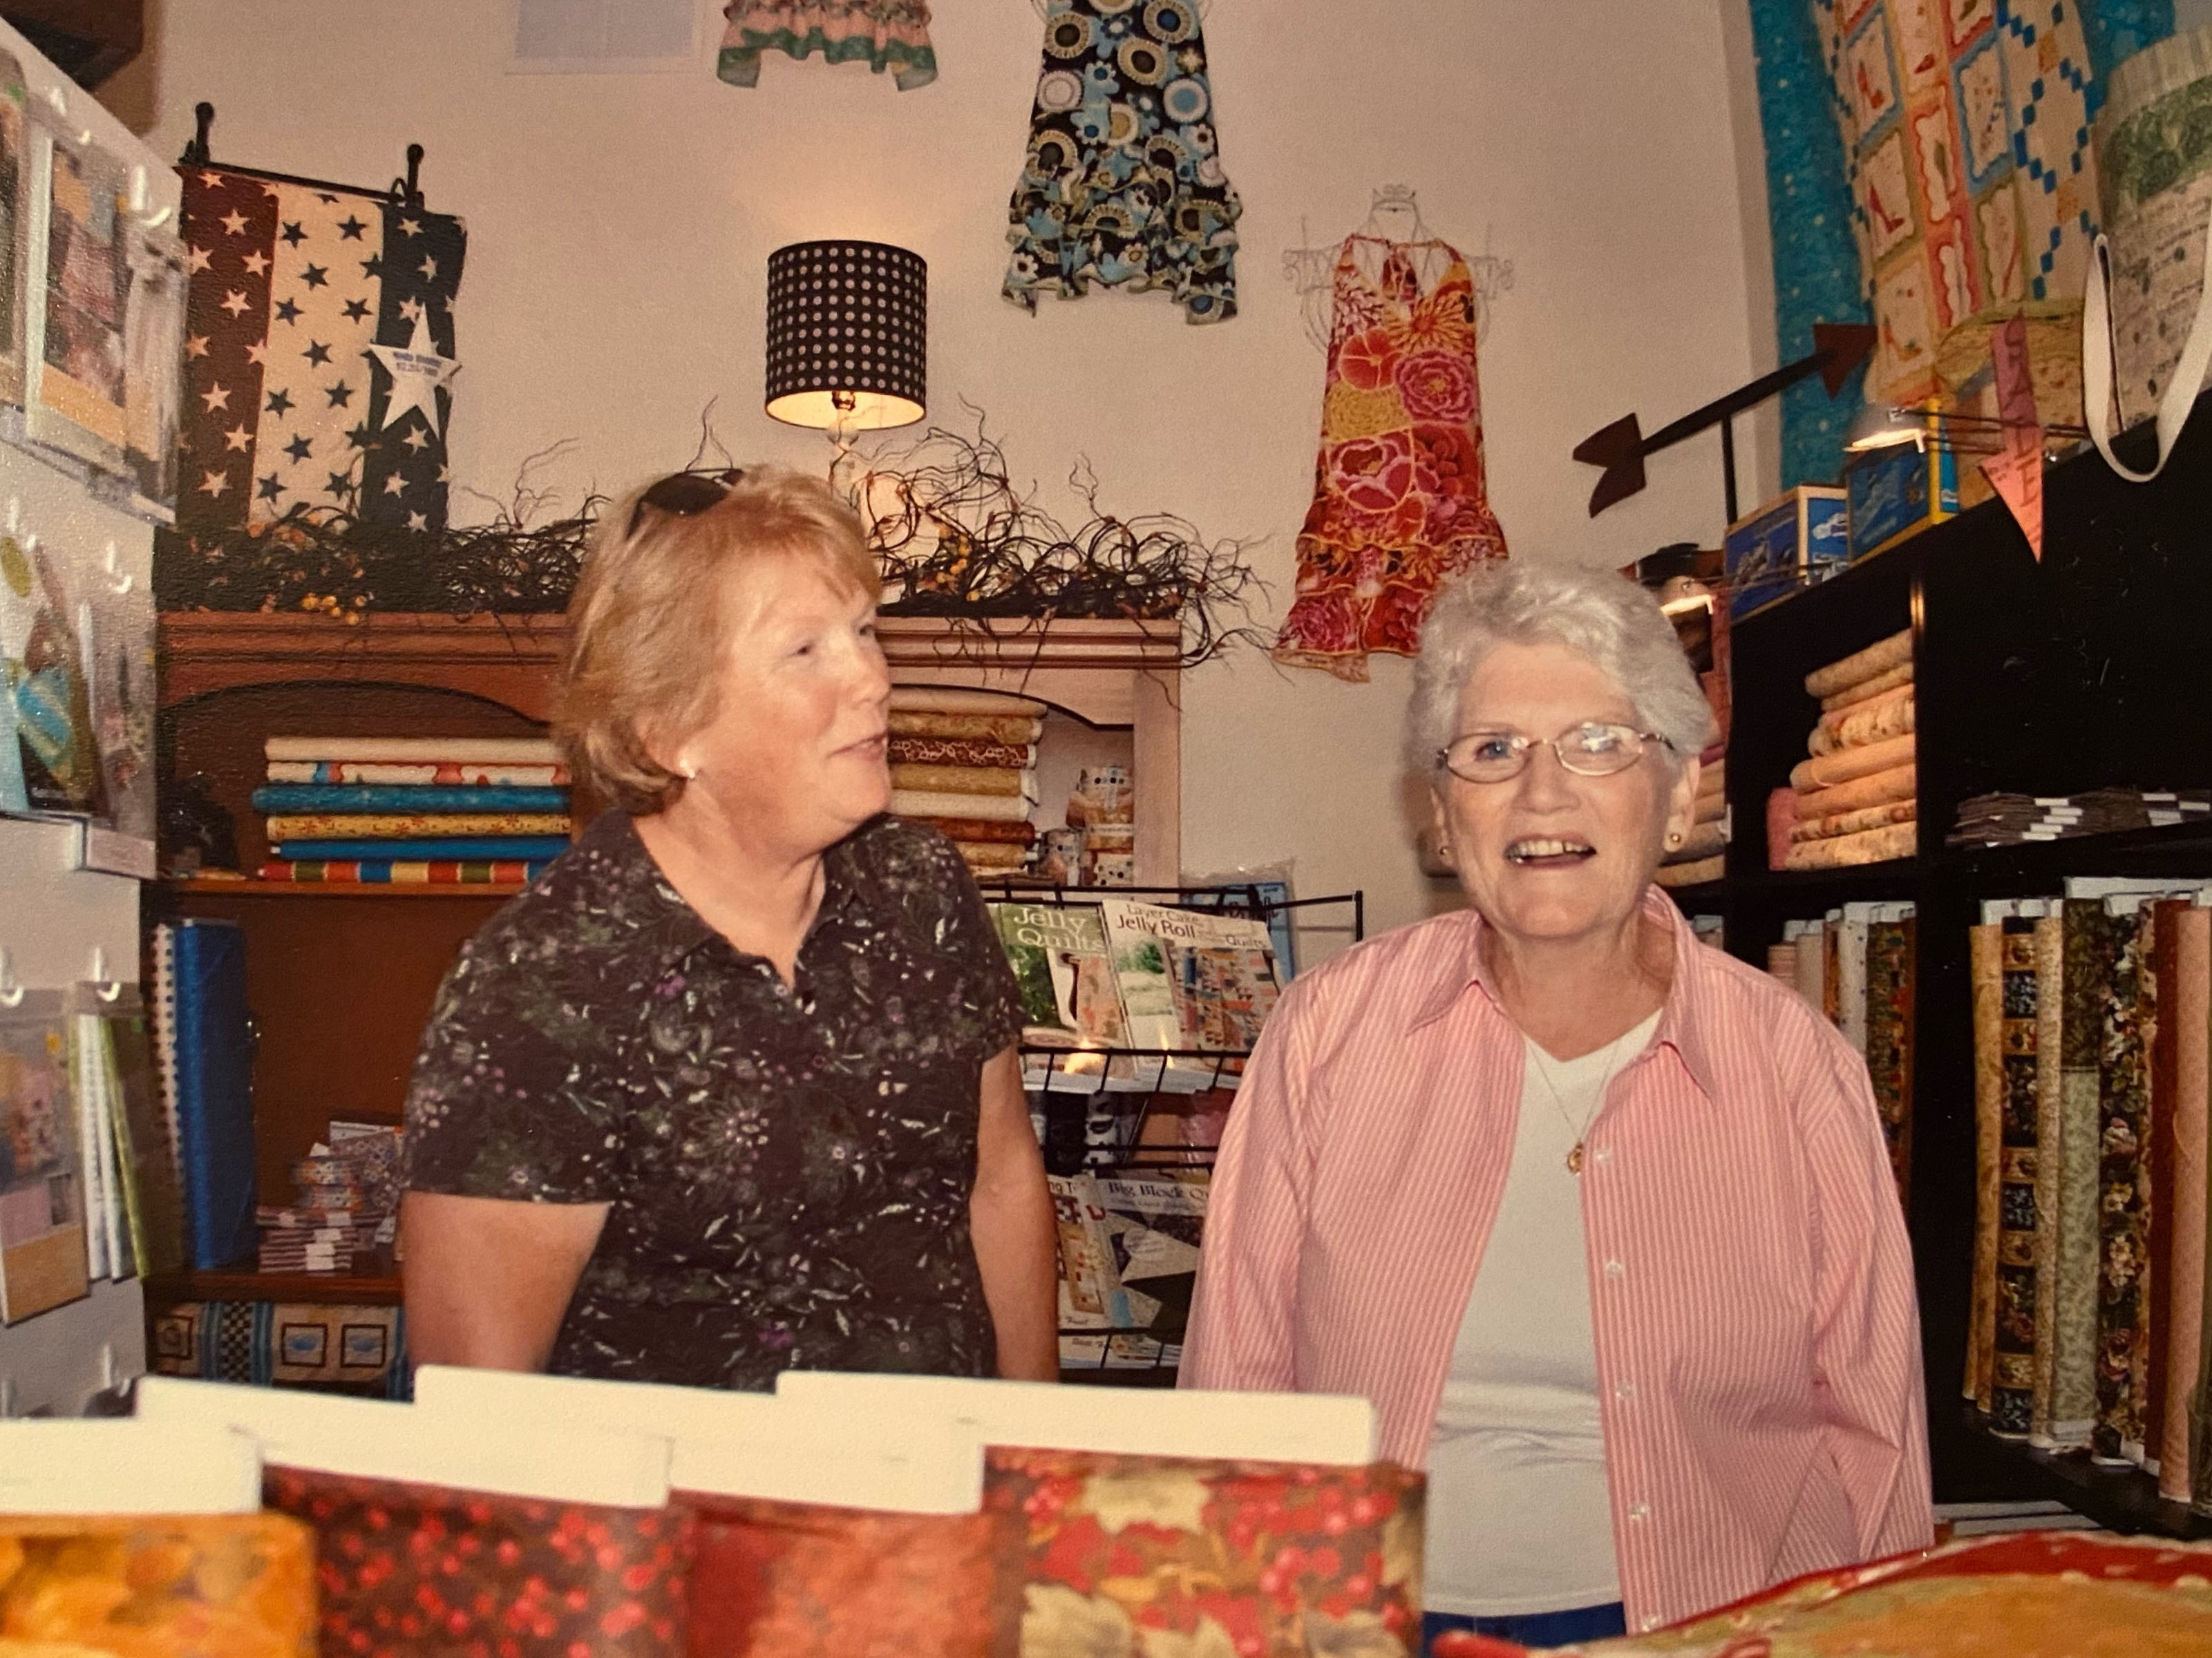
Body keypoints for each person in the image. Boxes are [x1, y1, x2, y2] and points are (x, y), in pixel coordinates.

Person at [1180, 562, 1931, 1646]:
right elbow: (1235, 1386)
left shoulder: (1795, 1067)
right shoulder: (1326, 1034)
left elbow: (1872, 1429)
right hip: (1369, 1626)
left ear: (1677, 797)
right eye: (1492, 751)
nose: (1541, 794)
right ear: (1443, 818)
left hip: (1708, 1627)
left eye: (1596, 743)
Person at [399, 465, 1059, 1389]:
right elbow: (483, 1392)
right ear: (670, 732)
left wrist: (1030, 1441)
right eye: (805, 650)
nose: (872, 678)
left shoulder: (923, 890)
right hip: (685, 1486)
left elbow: (1001, 1180)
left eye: (864, 630)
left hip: (942, 1472)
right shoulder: (540, 986)